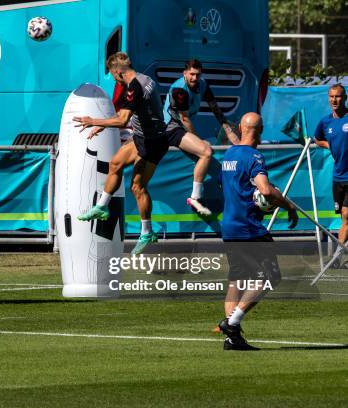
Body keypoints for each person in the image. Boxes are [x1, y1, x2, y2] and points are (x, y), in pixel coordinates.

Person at [74, 52, 168, 255]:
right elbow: (130, 115)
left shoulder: (134, 87)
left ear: (117, 71)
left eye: (112, 74)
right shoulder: (146, 78)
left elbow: (122, 120)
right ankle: (101, 207)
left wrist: (94, 121)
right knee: (115, 163)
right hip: (142, 138)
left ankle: (147, 232)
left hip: (153, 143)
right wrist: (104, 127)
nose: (114, 78)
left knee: (137, 186)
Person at [218, 112, 298, 351]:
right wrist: (288, 206)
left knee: (237, 280)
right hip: (249, 228)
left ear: (242, 128)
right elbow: (264, 189)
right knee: (271, 278)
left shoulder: (229, 154)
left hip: (230, 226)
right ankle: (231, 323)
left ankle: (232, 340)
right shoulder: (255, 156)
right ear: (260, 130)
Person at [163, 59, 239, 216]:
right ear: (184, 74)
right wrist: (198, 140)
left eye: (197, 75)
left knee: (209, 147)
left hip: (181, 127)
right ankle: (195, 197)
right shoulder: (180, 90)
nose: (194, 78)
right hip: (170, 128)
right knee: (206, 151)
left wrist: (227, 128)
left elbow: (215, 108)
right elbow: (184, 119)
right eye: (191, 74)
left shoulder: (203, 84)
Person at [313, 84, 348, 266]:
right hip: (338, 176)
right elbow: (317, 138)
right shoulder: (325, 122)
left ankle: (337, 256)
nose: (335, 100)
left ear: (345, 98)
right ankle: (340, 256)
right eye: (332, 96)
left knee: (347, 216)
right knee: (344, 218)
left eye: (339, 96)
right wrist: (329, 146)